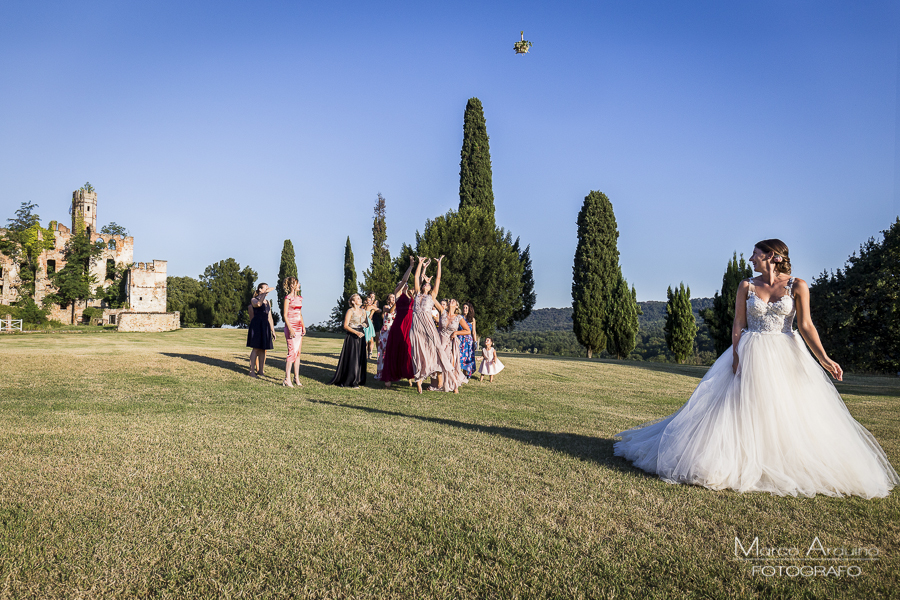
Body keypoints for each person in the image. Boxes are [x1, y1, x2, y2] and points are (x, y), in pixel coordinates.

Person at [614, 239, 899, 498]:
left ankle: (780, 461)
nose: (751, 258)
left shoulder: (797, 286)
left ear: (772, 257)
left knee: (786, 410)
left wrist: (824, 358)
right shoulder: (746, 286)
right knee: (740, 408)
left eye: (755, 254)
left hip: (786, 351)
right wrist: (737, 355)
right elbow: (738, 323)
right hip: (750, 350)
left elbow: (806, 325)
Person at [409, 255, 453, 394]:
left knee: (435, 347)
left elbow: (438, 279)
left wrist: (439, 264)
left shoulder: (432, 295)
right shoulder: (416, 293)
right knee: (417, 350)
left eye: (429, 284)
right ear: (422, 286)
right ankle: (419, 379)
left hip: (428, 323)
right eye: (425, 283)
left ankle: (442, 373)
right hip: (416, 323)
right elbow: (416, 277)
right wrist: (420, 263)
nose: (427, 284)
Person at [379, 257, 416, 387]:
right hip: (399, 324)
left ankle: (408, 376)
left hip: (409, 326)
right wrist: (410, 266)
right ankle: (388, 377)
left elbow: (419, 282)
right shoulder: (398, 294)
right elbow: (405, 279)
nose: (405, 284)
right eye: (401, 284)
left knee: (407, 350)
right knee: (394, 349)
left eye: (405, 284)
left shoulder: (412, 295)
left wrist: (422, 267)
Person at [328, 293, 367, 388]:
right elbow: (345, 326)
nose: (360, 299)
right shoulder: (350, 311)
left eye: (360, 298)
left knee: (360, 357)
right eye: (358, 298)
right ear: (353, 302)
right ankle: (351, 380)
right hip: (352, 335)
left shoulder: (363, 311)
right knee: (353, 358)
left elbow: (366, 322)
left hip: (361, 335)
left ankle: (359, 378)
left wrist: (365, 325)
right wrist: (356, 332)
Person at [438, 299, 470, 393]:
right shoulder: (443, 312)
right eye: (450, 300)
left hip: (451, 342)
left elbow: (468, 330)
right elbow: (434, 299)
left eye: (454, 301)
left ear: (456, 306)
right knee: (440, 362)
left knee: (451, 363)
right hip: (441, 340)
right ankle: (441, 383)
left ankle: (454, 385)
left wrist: (456, 332)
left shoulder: (459, 317)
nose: (451, 301)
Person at [247, 283, 277, 378]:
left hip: (265, 326)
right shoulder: (254, 300)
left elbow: (270, 317)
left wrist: (273, 330)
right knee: (256, 348)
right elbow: (258, 304)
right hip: (256, 326)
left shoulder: (268, 302)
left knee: (263, 349)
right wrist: (264, 294)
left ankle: (261, 371)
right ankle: (252, 371)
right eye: (265, 288)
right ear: (260, 289)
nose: (267, 290)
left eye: (268, 288)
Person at [281, 276, 305, 388]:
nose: (299, 285)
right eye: (297, 283)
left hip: (299, 327)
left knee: (298, 353)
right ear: (292, 285)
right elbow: (285, 315)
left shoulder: (300, 298)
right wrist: (290, 328)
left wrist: (303, 326)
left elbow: (300, 314)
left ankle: (296, 377)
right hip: (291, 327)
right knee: (291, 353)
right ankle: (287, 379)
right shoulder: (287, 298)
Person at [374, 293, 396, 381]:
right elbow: (390, 311)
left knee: (392, 352)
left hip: (394, 331)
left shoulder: (397, 308)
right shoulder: (385, 307)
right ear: (388, 300)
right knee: (383, 352)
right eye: (392, 297)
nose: (394, 299)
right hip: (385, 332)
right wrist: (397, 302)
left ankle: (391, 373)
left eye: (394, 297)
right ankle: (381, 373)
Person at [459, 303, 477, 377]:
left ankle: (464, 374)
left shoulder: (472, 319)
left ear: (469, 309)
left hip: (468, 341)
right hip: (460, 339)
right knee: (459, 356)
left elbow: (474, 332)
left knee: (467, 357)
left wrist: (475, 341)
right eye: (463, 308)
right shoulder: (459, 317)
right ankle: (458, 373)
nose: (465, 309)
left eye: (466, 308)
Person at [363, 293, 380, 359]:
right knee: (365, 339)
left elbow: (378, 309)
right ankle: (365, 353)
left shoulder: (373, 304)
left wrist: (372, 311)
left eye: (373, 296)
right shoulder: (362, 307)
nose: (372, 298)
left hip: (371, 322)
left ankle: (371, 352)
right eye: (370, 297)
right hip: (364, 322)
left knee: (371, 338)